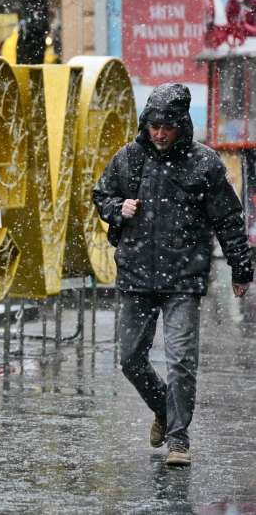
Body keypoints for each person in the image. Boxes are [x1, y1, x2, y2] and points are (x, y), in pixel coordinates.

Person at [93, 83, 252, 466]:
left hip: (183, 278)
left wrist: (240, 267)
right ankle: (165, 409)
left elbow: (228, 219)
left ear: (181, 125)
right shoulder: (129, 159)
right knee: (131, 359)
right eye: (153, 126)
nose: (160, 133)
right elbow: (102, 195)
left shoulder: (205, 164)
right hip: (136, 277)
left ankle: (179, 439)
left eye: (167, 126)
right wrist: (118, 208)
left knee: (181, 360)